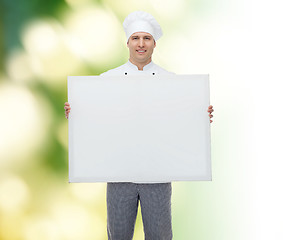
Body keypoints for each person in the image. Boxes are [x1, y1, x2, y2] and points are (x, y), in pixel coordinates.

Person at [64, 11, 214, 240]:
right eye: (136, 38)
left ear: (154, 43)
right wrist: (76, 113)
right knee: (118, 235)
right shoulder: (107, 81)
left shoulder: (171, 82)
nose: (141, 44)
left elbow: (179, 124)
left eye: (146, 38)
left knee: (160, 235)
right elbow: (97, 121)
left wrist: (199, 117)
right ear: (127, 42)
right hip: (118, 173)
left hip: (158, 173)